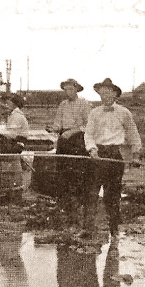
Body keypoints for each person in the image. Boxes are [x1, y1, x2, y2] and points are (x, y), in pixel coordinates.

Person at [82, 78, 142, 239]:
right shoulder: (94, 113)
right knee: (92, 192)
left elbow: (133, 135)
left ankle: (114, 229)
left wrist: (135, 155)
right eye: (102, 92)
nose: (104, 95)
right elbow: (89, 134)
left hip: (115, 156)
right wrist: (92, 149)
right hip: (98, 156)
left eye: (108, 92)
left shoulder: (124, 113)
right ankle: (88, 229)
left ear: (115, 94)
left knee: (112, 195)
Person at [48, 78, 92, 217]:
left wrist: (72, 132)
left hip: (78, 139)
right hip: (64, 139)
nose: (68, 92)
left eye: (71, 89)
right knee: (62, 169)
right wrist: (53, 128)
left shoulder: (84, 104)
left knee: (77, 170)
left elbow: (88, 125)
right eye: (66, 89)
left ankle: (78, 201)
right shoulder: (63, 104)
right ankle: (63, 202)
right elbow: (58, 123)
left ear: (76, 89)